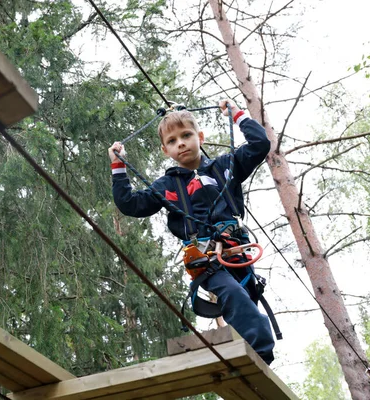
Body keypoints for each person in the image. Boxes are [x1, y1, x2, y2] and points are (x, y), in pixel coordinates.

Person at [108, 100, 275, 364]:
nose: (181, 143)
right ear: (166, 150)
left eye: (186, 135)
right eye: (173, 141)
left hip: (237, 250)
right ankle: (262, 354)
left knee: (246, 298)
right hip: (205, 259)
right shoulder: (166, 186)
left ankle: (250, 352)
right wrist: (118, 167)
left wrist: (238, 116)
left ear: (200, 137)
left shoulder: (225, 167)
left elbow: (260, 145)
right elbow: (130, 204)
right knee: (231, 293)